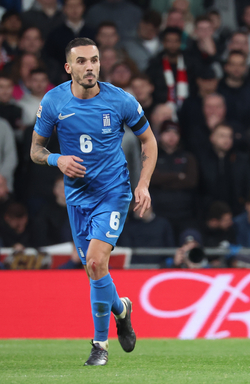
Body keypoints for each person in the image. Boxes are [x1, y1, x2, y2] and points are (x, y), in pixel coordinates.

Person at [29, 37, 158, 366]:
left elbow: (149, 141)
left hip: (113, 192)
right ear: (69, 68)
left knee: (97, 263)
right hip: (77, 196)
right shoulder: (54, 101)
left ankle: (100, 345)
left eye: (95, 60)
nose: (90, 67)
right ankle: (122, 309)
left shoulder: (120, 101)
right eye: (83, 61)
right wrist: (57, 159)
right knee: (93, 269)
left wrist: (143, 185)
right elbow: (36, 151)